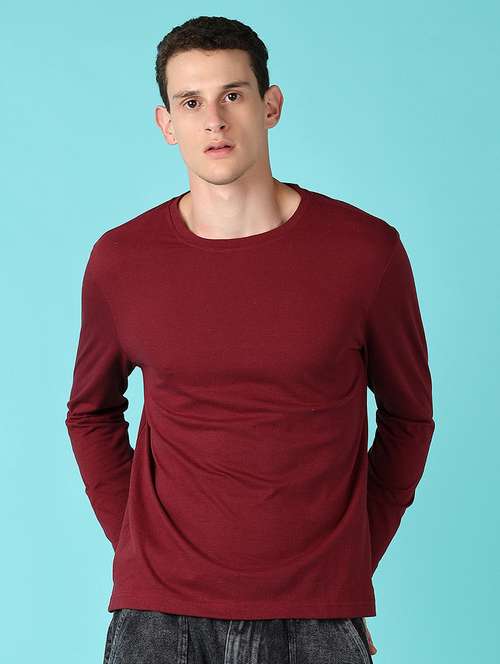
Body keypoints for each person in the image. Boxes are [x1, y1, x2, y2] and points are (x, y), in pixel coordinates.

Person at [65, 15, 435, 664]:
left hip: (316, 620)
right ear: (166, 124)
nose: (214, 121)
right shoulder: (121, 261)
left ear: (271, 106)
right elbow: (90, 413)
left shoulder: (366, 253)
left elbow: (409, 418)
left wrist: (347, 563)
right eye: (191, 103)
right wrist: (137, 545)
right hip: (156, 622)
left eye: (232, 95)